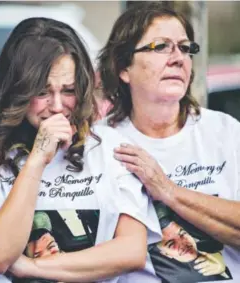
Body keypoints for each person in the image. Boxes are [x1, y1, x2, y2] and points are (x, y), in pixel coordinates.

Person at [0, 17, 161, 283]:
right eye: (42, 92)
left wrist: (30, 267)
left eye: (69, 90)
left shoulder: (109, 147)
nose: (57, 105)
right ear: (16, 90)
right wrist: (37, 160)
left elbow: (131, 251)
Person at [98, 2, 240, 282]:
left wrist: (167, 190)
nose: (178, 58)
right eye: (161, 47)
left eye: (185, 48)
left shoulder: (224, 132)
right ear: (123, 68)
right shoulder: (102, 142)